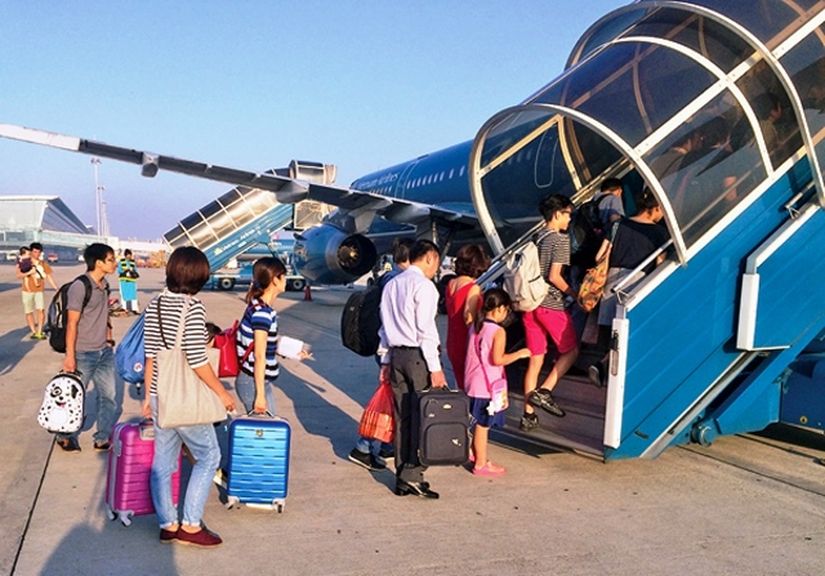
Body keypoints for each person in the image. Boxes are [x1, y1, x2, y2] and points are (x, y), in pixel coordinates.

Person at [142, 246, 236, 548]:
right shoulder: (193, 308)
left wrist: (148, 396)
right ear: (198, 276)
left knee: (163, 463)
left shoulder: (154, 305)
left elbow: (151, 356)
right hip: (185, 399)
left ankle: (168, 524)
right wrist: (222, 392)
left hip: (161, 396)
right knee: (209, 457)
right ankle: (191, 526)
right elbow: (197, 359)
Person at [377, 239, 446, 499]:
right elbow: (426, 329)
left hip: (396, 355)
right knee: (422, 415)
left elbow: (384, 326)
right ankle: (414, 473)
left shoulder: (392, 284)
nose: (436, 268)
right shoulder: (424, 287)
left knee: (402, 416)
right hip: (418, 357)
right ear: (429, 257)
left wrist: (385, 360)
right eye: (437, 262)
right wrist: (435, 367)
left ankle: (402, 474)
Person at [590, 188, 669, 386]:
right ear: (655, 208)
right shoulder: (659, 233)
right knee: (627, 331)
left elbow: (599, 256)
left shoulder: (618, 224)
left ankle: (603, 368)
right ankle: (605, 367)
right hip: (636, 281)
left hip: (612, 279)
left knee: (609, 330)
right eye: (661, 211)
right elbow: (660, 264)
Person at [349, 237, 414, 472]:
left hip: (384, 346)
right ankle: (363, 446)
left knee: (393, 399)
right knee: (389, 401)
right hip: (391, 348)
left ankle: (387, 444)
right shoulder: (399, 281)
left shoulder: (387, 278)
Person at [522, 194, 579, 429]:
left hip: (531, 304)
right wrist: (575, 294)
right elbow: (554, 276)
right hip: (551, 304)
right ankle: (545, 390)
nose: (569, 219)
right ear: (557, 214)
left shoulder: (536, 237)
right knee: (571, 351)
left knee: (535, 360)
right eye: (567, 214)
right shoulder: (560, 240)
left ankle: (528, 416)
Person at [55, 243, 119, 452]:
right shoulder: (80, 286)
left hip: (104, 352)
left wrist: (109, 339)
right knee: (73, 397)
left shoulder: (105, 285)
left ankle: (101, 437)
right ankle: (65, 435)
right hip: (83, 353)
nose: (115, 263)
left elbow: (105, 314)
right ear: (98, 262)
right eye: (111, 260)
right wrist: (69, 356)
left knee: (108, 396)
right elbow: (72, 323)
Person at [464, 288, 531, 476]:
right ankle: (481, 464)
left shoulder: (475, 326)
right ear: (500, 308)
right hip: (488, 386)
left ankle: (475, 454)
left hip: (473, 382)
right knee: (483, 425)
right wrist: (520, 354)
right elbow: (498, 359)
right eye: (507, 310)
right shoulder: (498, 331)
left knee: (477, 422)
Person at [234, 256, 310, 414]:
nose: (285, 280)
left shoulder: (257, 306)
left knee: (265, 425)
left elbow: (264, 342)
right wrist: (260, 396)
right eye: (283, 276)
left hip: (256, 380)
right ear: (275, 280)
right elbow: (259, 355)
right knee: (263, 426)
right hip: (253, 383)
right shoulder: (262, 313)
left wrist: (293, 351)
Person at [444, 244, 490, 391]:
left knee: (460, 383)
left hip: (452, 341)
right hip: (466, 342)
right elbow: (468, 318)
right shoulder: (473, 287)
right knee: (472, 386)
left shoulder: (451, 284)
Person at [17, 241, 58, 339]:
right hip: (27, 291)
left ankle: (39, 331)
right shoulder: (25, 262)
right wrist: (29, 272)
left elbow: (49, 276)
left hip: (39, 290)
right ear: (31, 252)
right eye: (35, 252)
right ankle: (33, 331)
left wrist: (55, 287)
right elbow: (18, 275)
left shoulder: (43, 263)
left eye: (39, 252)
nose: (37, 254)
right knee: (29, 312)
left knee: (41, 310)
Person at [117, 248, 140, 314]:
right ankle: (124, 308)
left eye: (130, 255)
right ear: (125, 255)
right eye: (128, 255)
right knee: (124, 295)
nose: (129, 257)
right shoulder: (121, 262)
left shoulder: (132, 262)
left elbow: (135, 270)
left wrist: (133, 273)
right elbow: (119, 270)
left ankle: (135, 309)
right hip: (124, 281)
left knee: (133, 295)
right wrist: (125, 272)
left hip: (131, 281)